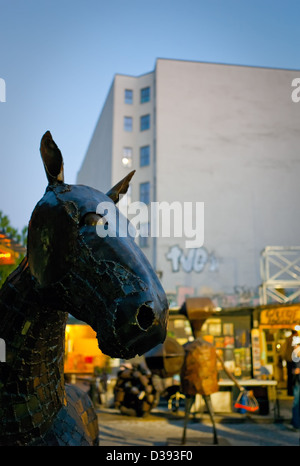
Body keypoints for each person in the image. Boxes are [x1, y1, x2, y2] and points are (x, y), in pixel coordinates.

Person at [282, 330, 298, 396]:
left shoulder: (287, 340)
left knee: (290, 376)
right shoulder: (292, 340)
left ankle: (290, 391)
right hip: (291, 360)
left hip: (289, 360)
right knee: (292, 377)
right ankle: (291, 392)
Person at [290, 337, 300, 430]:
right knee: (296, 402)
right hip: (297, 381)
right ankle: (295, 422)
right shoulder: (295, 356)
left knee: (296, 403)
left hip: (298, 381)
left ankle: (296, 423)